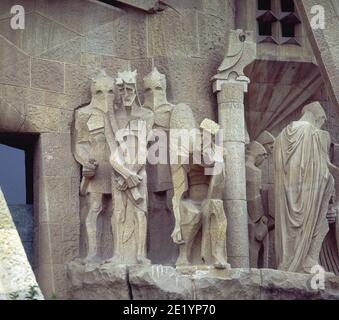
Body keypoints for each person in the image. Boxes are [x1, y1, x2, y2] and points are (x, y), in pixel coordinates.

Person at [274, 101, 334, 273]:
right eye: (322, 121)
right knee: (314, 223)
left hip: (286, 196)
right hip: (307, 192)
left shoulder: (281, 136)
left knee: (290, 229)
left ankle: (287, 262)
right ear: (318, 117)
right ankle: (304, 262)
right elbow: (321, 170)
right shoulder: (314, 133)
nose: (321, 124)